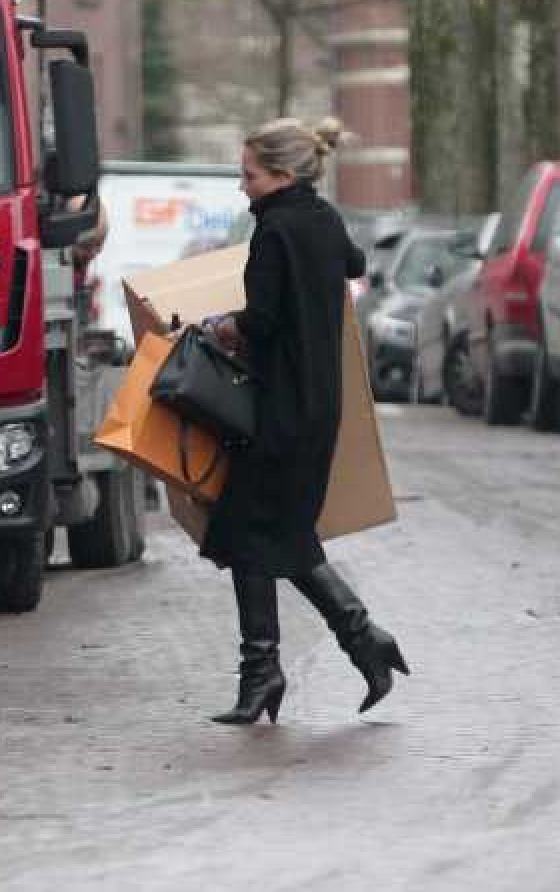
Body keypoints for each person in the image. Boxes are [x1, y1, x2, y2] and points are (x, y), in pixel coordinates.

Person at [202, 116, 409, 725]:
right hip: (319, 406)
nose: (243, 188)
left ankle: (282, 665)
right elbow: (351, 261)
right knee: (271, 535)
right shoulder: (319, 219)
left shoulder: (274, 232)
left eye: (250, 176)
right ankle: (346, 645)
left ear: (282, 175)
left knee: (255, 535)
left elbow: (262, 319)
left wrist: (224, 326)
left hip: (279, 410)